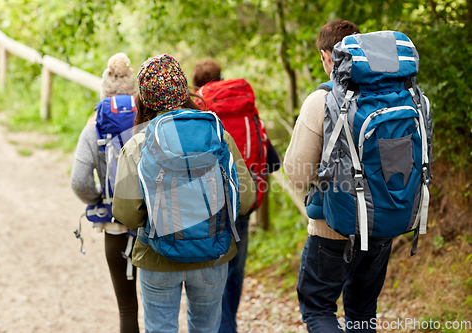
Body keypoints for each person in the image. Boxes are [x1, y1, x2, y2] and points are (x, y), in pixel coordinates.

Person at [112, 53, 256, 333]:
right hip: (213, 255)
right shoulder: (217, 133)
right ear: (182, 89)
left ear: (144, 97)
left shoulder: (140, 142)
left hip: (157, 256)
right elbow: (246, 199)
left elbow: (127, 214)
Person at [284, 20, 393, 332]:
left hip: (332, 230)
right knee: (362, 310)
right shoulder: (391, 96)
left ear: (326, 55)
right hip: (382, 226)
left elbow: (298, 175)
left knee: (318, 309)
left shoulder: (322, 100)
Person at [192, 59, 281, 333]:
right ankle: (228, 323)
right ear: (221, 77)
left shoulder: (198, 111)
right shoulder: (246, 108)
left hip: (208, 207)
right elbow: (273, 162)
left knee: (209, 270)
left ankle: (222, 326)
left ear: (197, 85)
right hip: (243, 203)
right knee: (235, 271)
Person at [70, 53, 140, 333]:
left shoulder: (94, 126)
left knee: (127, 309)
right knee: (162, 307)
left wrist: (99, 198)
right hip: (153, 225)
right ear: (135, 90)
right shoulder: (151, 120)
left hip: (115, 226)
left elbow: (78, 181)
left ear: (104, 90)